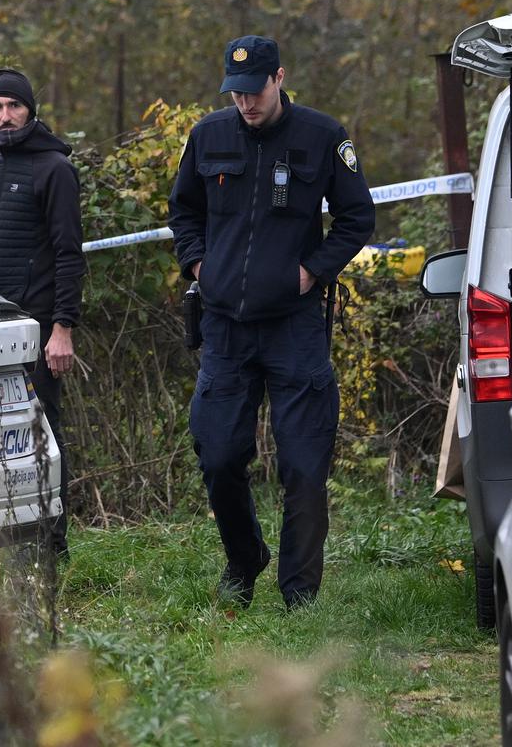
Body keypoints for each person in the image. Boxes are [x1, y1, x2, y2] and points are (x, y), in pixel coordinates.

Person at [168, 36, 375, 609]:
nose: (245, 104)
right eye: (235, 94)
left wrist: (313, 271)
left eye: (255, 91)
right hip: (226, 328)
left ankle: (299, 592)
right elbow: (183, 209)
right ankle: (244, 559)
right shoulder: (208, 136)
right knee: (218, 453)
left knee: (304, 465)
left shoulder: (323, 137)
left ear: (279, 78)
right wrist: (198, 262)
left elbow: (358, 218)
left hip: (294, 326)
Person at [0, 67, 86, 556]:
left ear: (30, 110)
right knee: (3, 434)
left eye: (13, 107)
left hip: (42, 327)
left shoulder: (54, 169)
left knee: (44, 432)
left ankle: (52, 545)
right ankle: (14, 539)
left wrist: (62, 328)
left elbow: (69, 252)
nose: (5, 117)